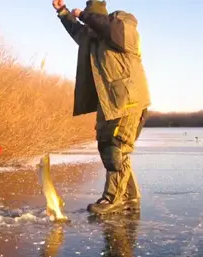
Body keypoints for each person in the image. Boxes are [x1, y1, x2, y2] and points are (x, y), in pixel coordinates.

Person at [52, 0, 151, 214]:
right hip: (108, 103)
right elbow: (78, 32)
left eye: (91, 20)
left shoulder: (123, 27)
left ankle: (113, 198)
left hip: (128, 102)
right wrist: (63, 12)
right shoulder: (94, 39)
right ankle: (130, 195)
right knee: (110, 148)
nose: (87, 28)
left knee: (116, 148)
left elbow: (111, 29)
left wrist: (85, 15)